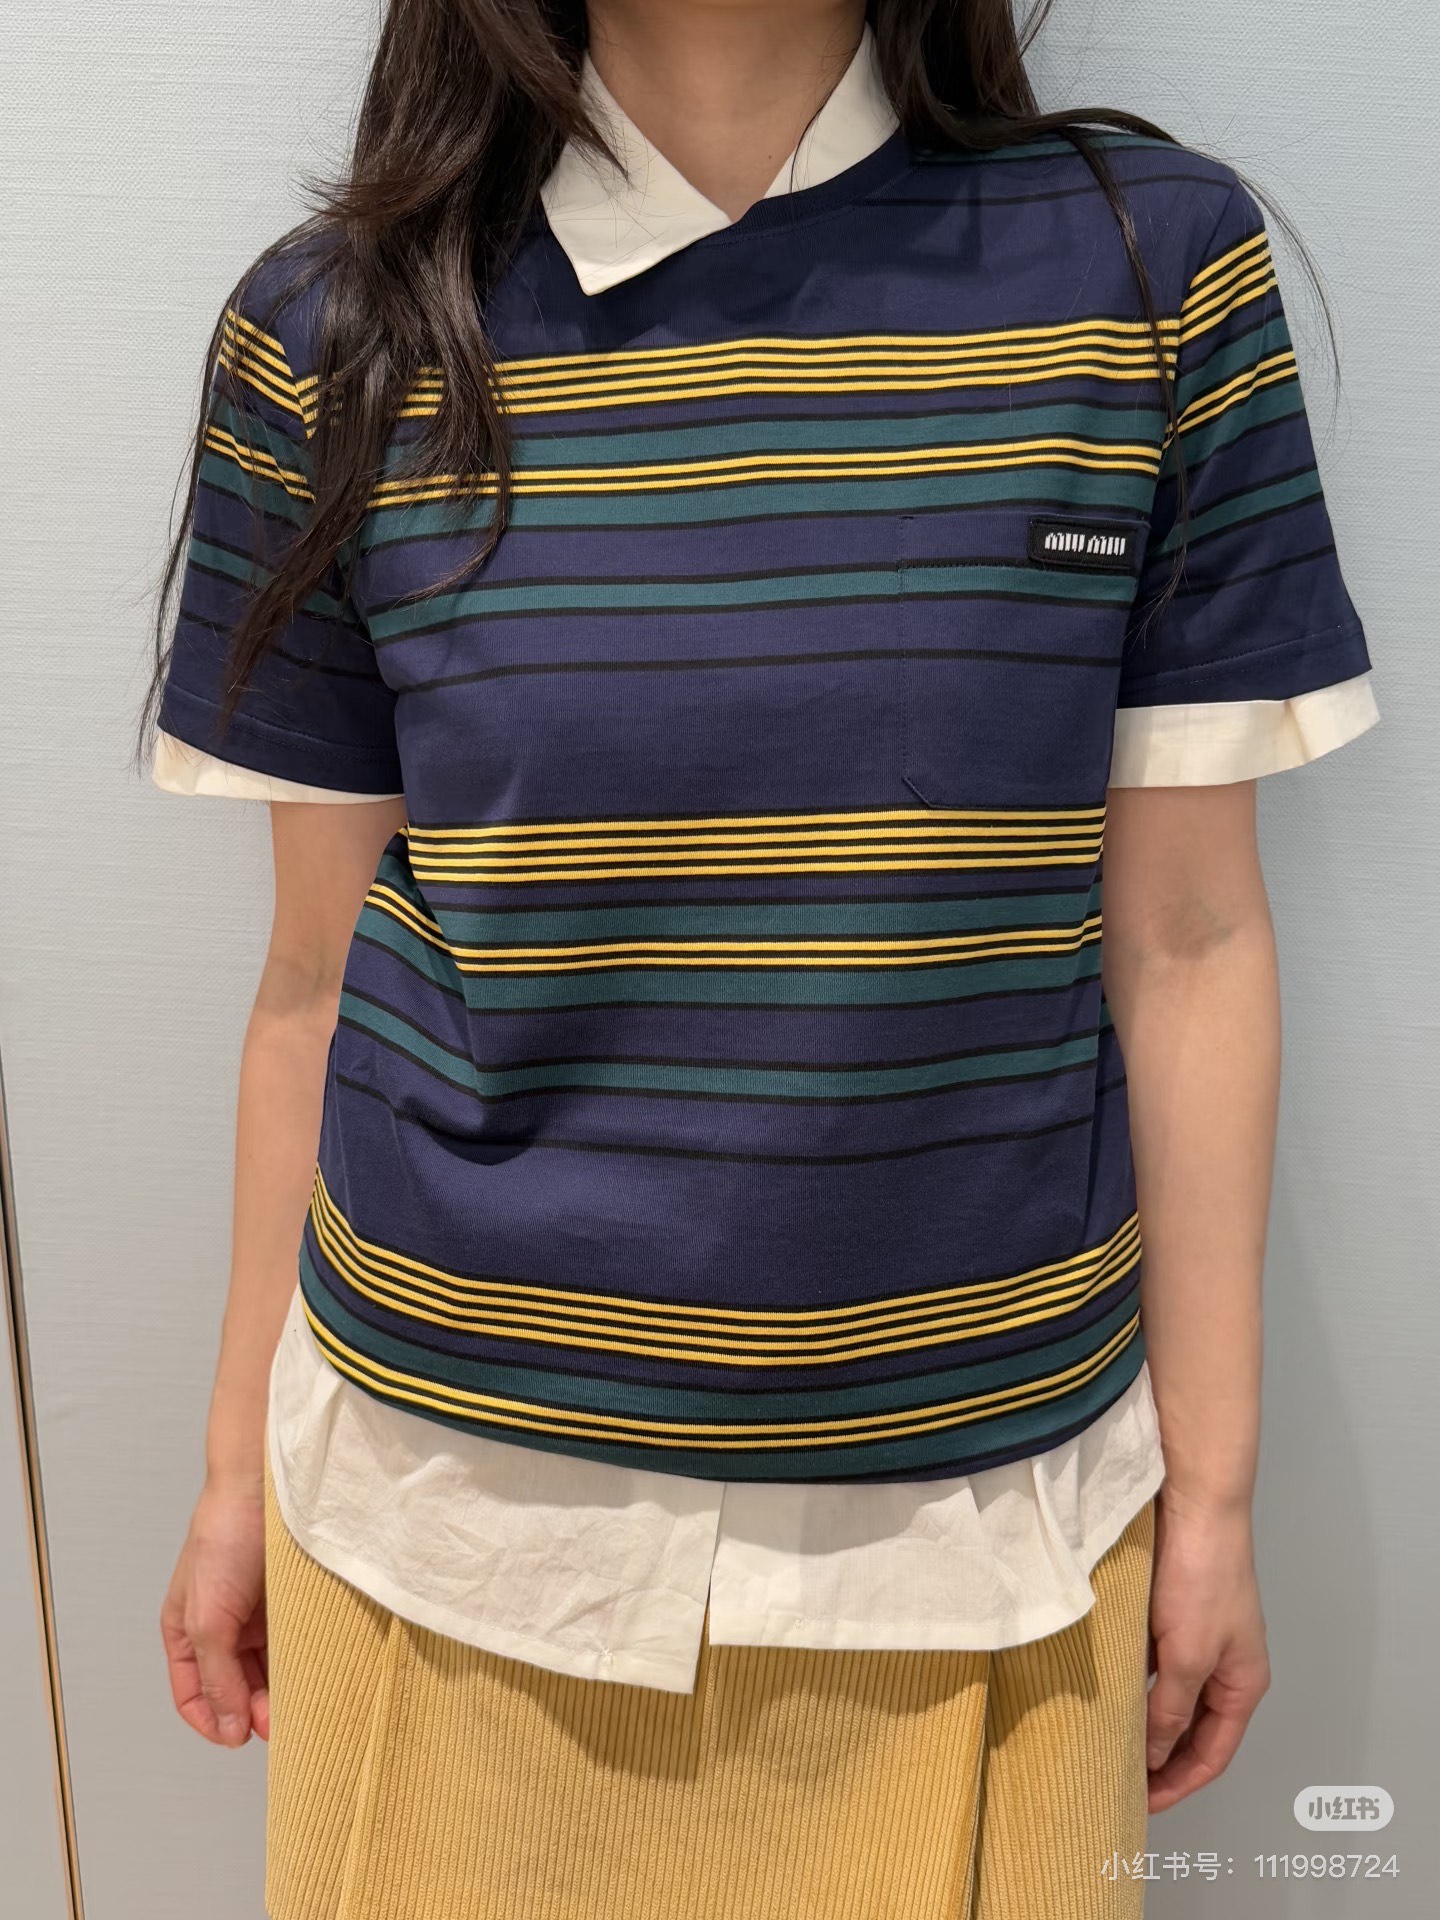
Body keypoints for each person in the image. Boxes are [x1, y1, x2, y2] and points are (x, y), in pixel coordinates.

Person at [145, 3, 1379, 1915]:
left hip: (990, 1538)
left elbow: (1194, 932)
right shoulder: (338, 331)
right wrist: (235, 1470)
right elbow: (313, 972)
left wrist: (1214, 1493)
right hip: (444, 1537)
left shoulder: (1145, 273)